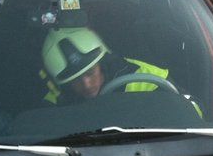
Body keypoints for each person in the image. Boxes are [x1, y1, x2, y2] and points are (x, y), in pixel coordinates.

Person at [41, 27, 173, 105]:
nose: (86, 85)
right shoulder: (57, 98)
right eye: (76, 79)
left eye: (90, 72)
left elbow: (182, 112)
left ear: (102, 63)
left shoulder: (148, 78)